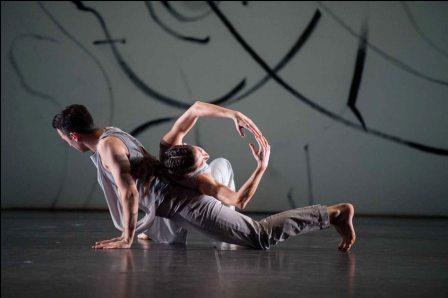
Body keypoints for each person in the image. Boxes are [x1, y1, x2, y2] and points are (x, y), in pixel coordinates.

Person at [52, 101, 356, 251]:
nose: (65, 143)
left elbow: (129, 193)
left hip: (183, 204)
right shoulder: (117, 133)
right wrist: (234, 114)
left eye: (64, 139)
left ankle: (333, 214)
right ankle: (155, 228)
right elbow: (196, 108)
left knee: (259, 236)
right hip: (164, 203)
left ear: (75, 136)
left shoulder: (108, 149)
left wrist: (126, 238)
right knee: (165, 228)